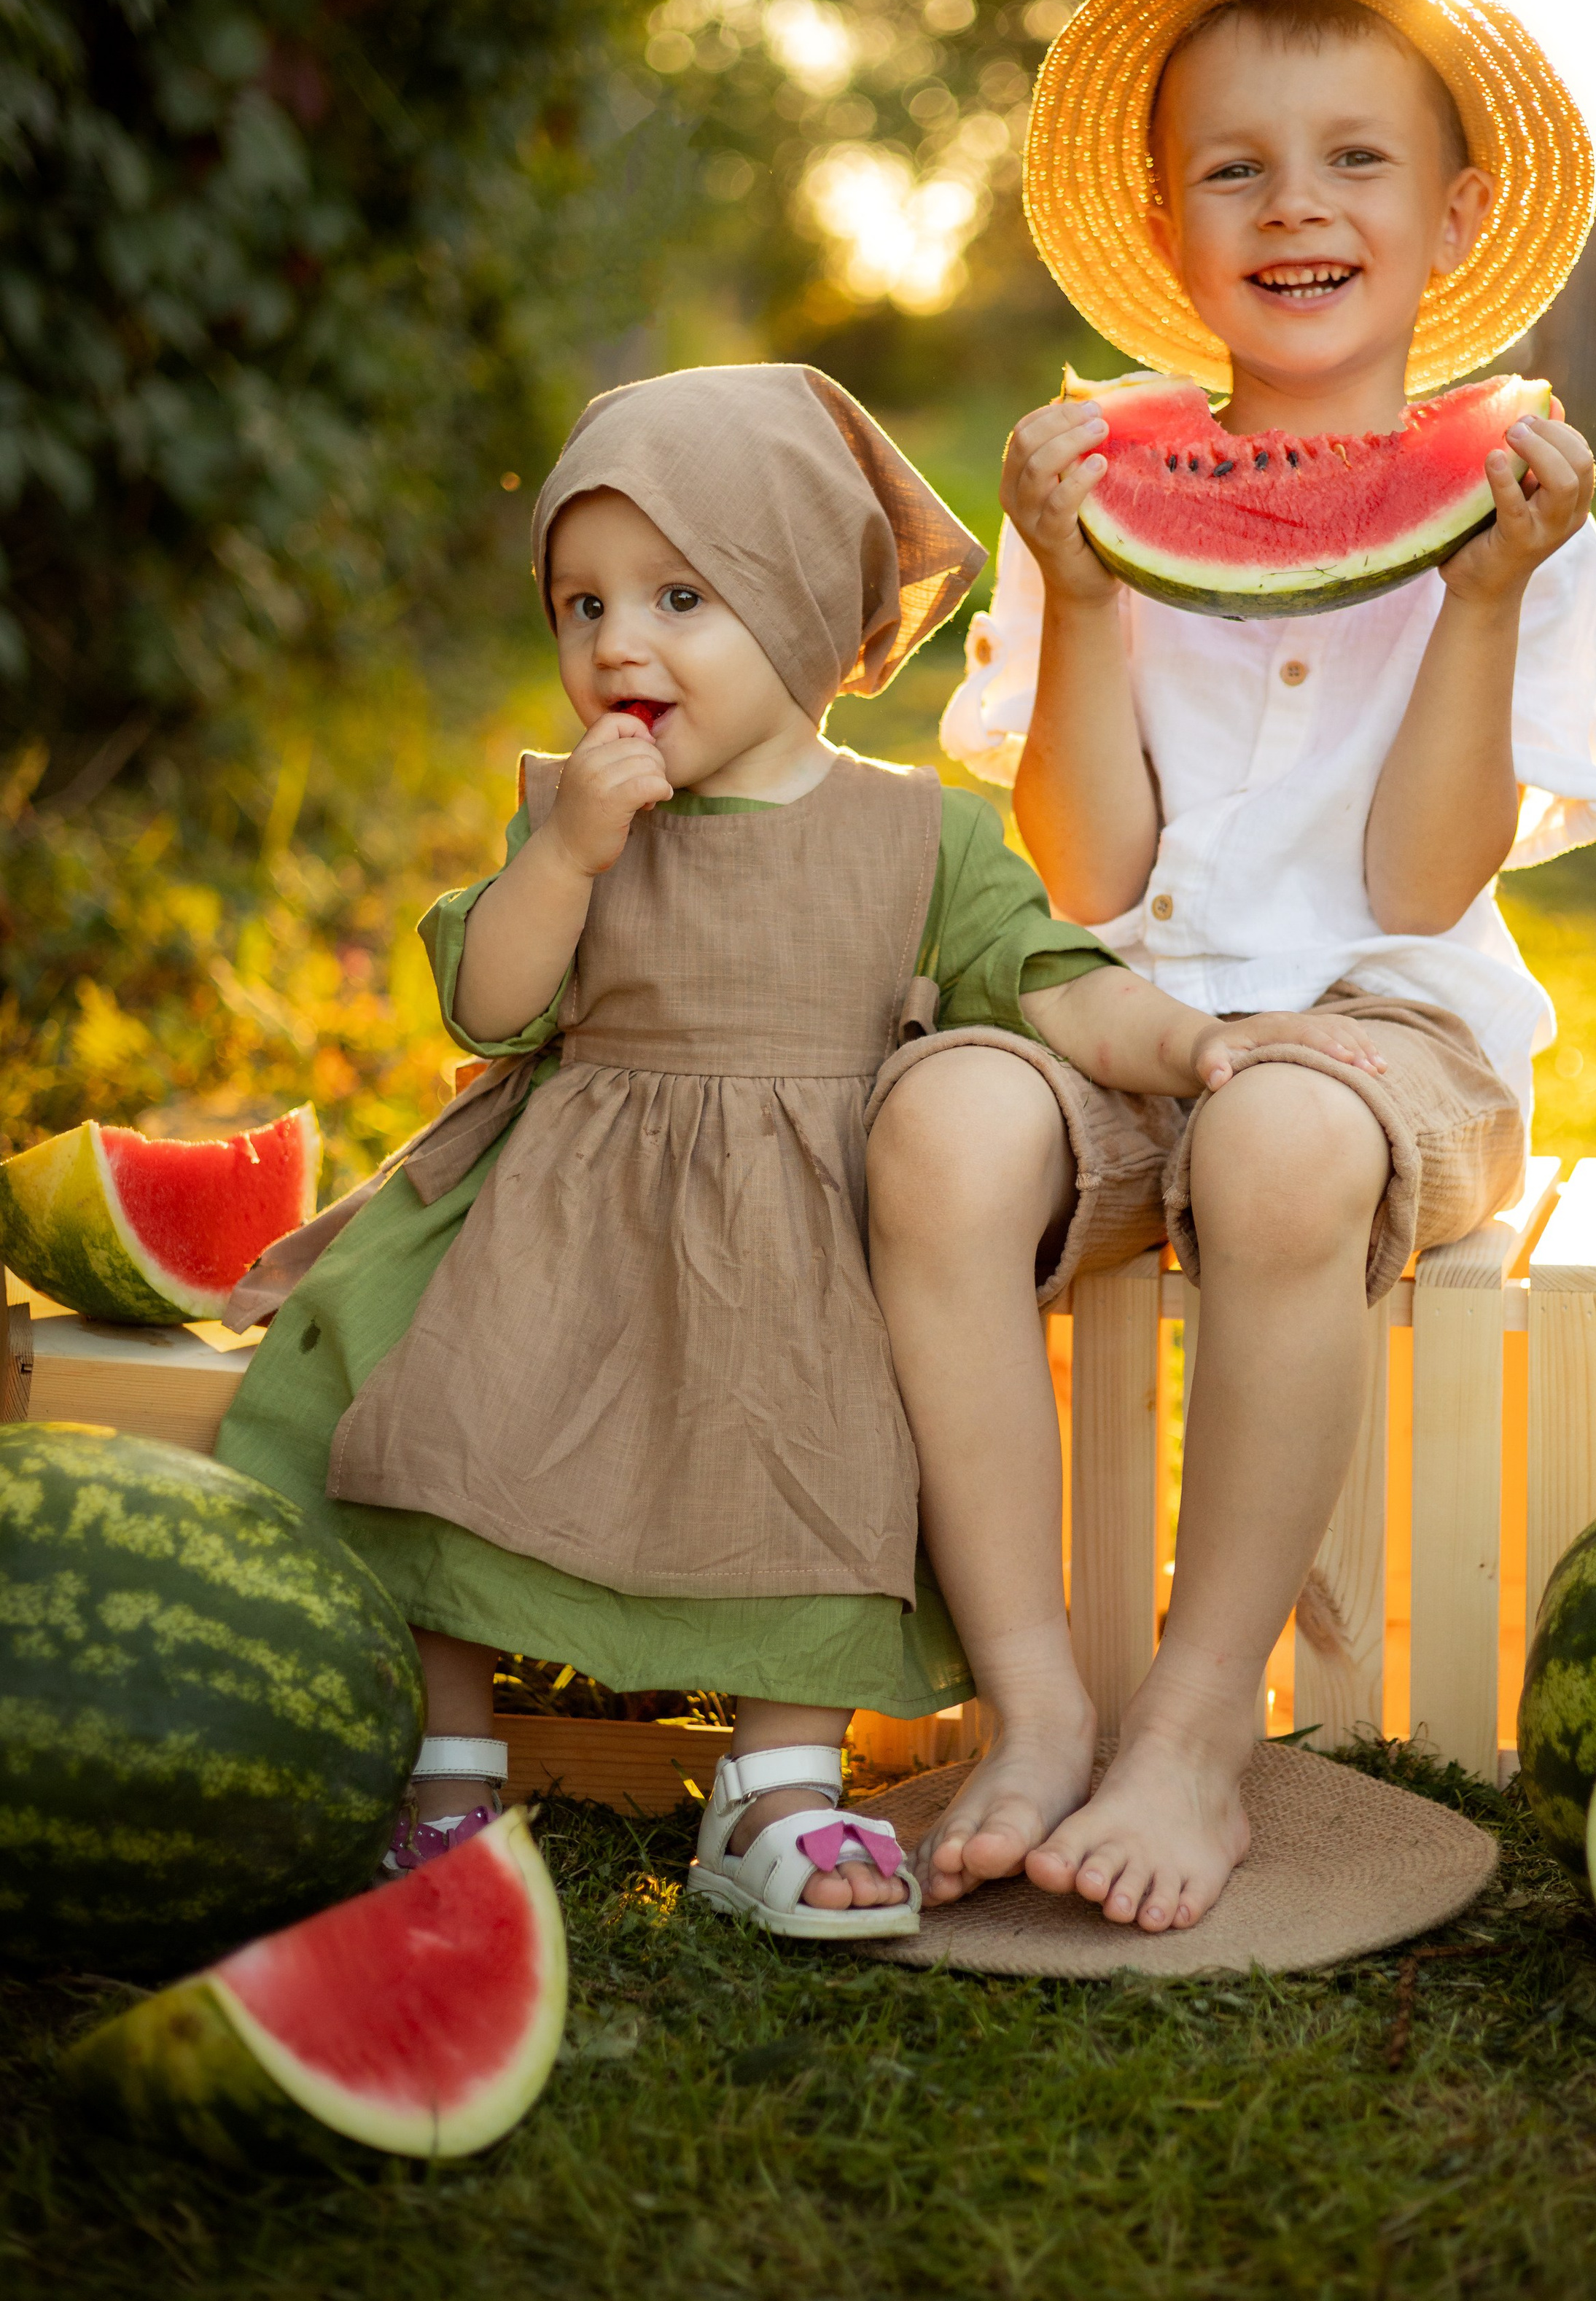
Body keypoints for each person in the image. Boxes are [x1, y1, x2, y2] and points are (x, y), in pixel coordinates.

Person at [215, 362, 1274, 1942]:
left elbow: (1053, 989)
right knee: (429, 1425)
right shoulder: (572, 809)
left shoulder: (918, 834)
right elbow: (494, 1007)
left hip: (794, 1242)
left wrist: (1193, 1048)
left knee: (814, 1484)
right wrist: (569, 852)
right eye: (579, 605)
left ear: (794, 613)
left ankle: (776, 1789)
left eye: (679, 596)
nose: (615, 644)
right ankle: (446, 1763)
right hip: (561, 1224)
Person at [864, 0, 1596, 1936]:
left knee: (1285, 1138)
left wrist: (1471, 596)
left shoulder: (1529, 515)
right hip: (1129, 1020)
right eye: (1239, 167)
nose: (1298, 207)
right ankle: (1032, 1703)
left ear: (1456, 214)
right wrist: (1091, 589)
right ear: (1170, 218)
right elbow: (1090, 881)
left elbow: (1415, 886)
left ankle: (1202, 1721)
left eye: (1356, 159)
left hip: (1396, 1038)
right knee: (936, 1124)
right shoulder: (1093, 485)